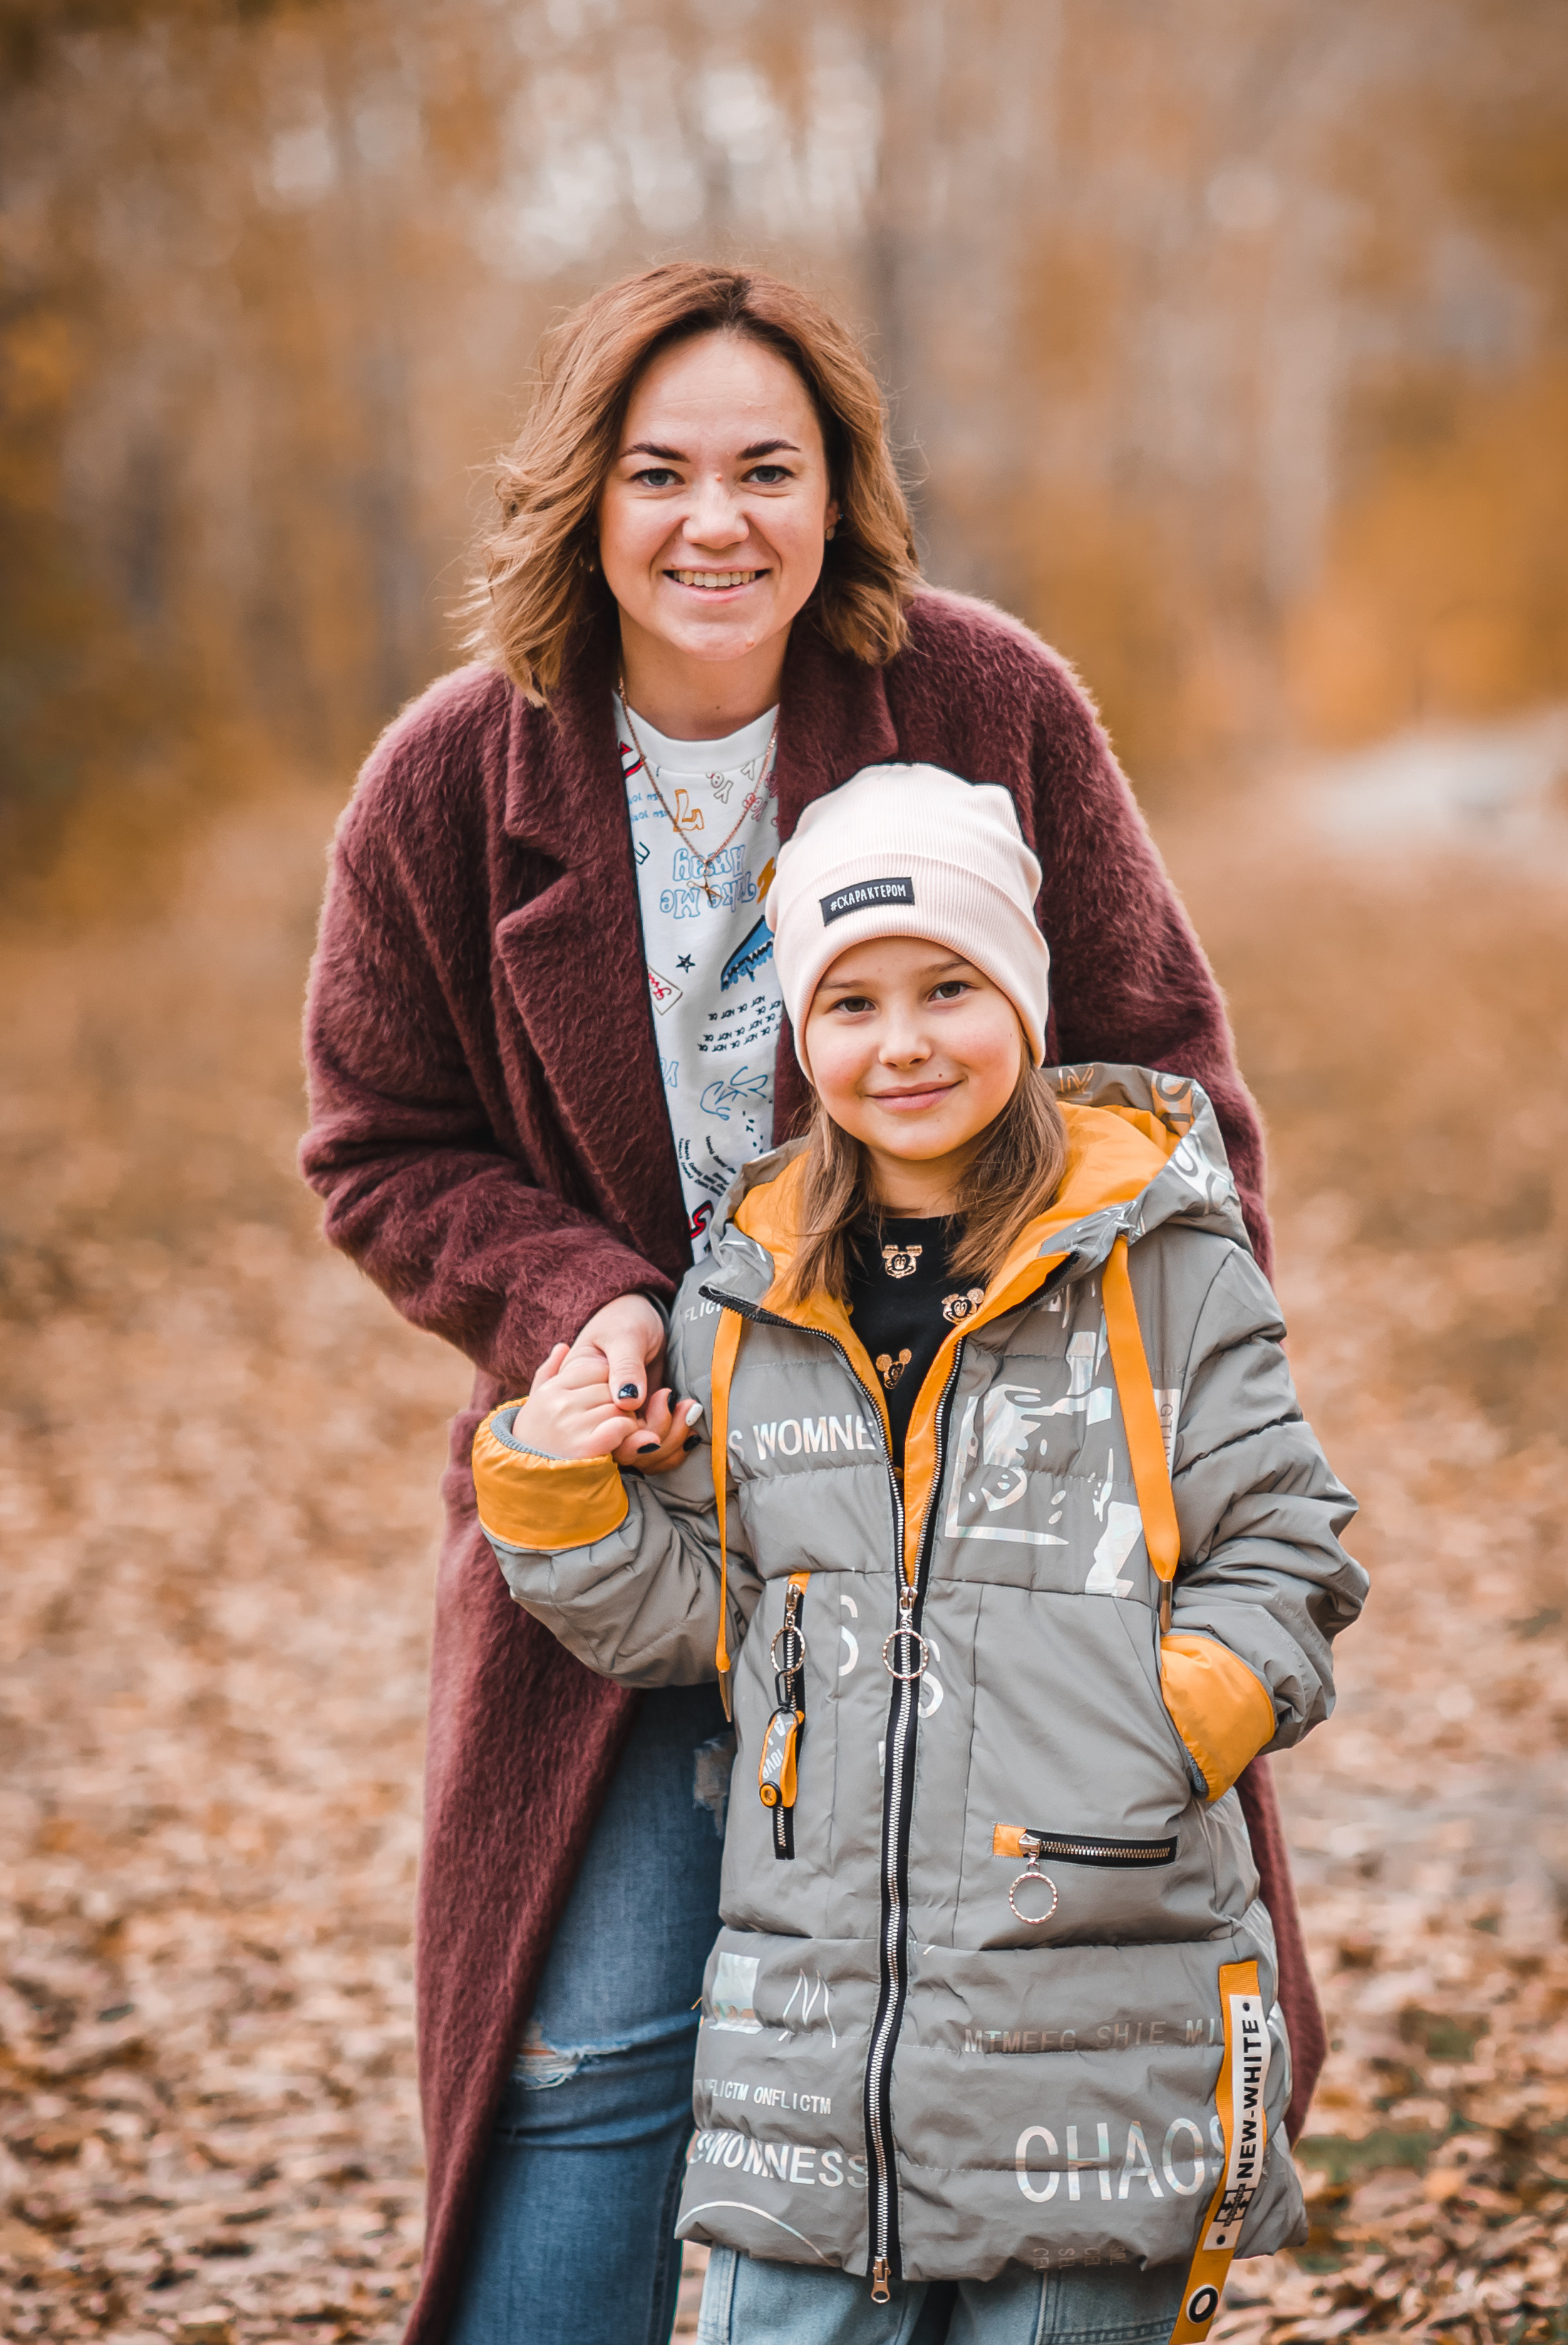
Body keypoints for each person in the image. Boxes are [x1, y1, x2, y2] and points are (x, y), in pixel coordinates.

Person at [299, 261, 1326, 2345]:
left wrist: (1074, 1404)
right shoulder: (447, 779)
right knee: (582, 2077)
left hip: (989, 1548)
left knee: (1002, 2071)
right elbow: (377, 1139)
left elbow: (1174, 1098)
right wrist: (579, 1304)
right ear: (585, 500)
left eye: (769, 468)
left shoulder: (988, 702)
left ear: (840, 492)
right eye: (660, 471)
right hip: (639, 1526)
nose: (715, 522)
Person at [471, 768, 1364, 2345]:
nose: (902, 1043)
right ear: (801, 1038)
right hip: (810, 2047)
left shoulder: (1156, 1261)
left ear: (1019, 996)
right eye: (853, 1001)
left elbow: (1282, 1540)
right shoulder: (745, 1292)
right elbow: (713, 1621)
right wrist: (560, 1496)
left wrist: (1157, 1725)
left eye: (947, 988)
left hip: (1096, 2012)